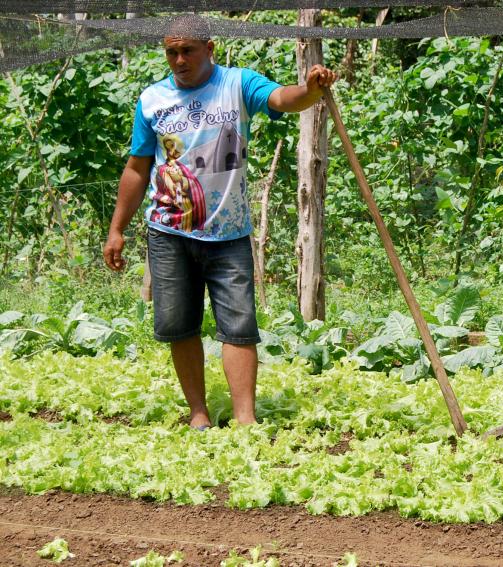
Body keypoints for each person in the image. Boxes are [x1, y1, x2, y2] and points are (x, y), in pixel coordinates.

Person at [103, 15, 337, 429]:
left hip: (228, 232)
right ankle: (199, 415)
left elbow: (283, 99)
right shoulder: (152, 99)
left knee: (239, 326)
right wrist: (116, 228)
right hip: (169, 232)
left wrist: (310, 90)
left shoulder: (237, 84)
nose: (179, 60)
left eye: (187, 51)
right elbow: (138, 167)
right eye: (171, 52)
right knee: (179, 325)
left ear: (209, 49)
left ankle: (246, 418)